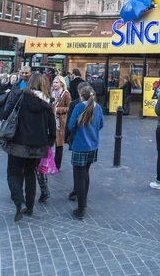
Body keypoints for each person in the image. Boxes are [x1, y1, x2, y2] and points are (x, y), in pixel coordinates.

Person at [1, 73, 56, 221]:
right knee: (30, 173)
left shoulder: (21, 96)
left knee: (13, 173)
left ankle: (20, 203)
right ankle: (30, 207)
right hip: (38, 144)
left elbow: (6, 113)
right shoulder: (48, 101)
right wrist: (50, 141)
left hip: (18, 141)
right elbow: (52, 125)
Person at [68, 85, 104, 219]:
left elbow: (71, 125)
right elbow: (101, 124)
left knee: (80, 177)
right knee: (86, 173)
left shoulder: (78, 107)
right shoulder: (98, 107)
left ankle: (81, 208)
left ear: (81, 95)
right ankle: (84, 203)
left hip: (80, 145)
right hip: (93, 145)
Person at [65, 81, 88, 202]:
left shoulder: (75, 105)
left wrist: (67, 137)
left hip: (78, 141)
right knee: (86, 170)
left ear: (79, 92)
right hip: (91, 142)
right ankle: (83, 194)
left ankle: (77, 192)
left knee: (77, 169)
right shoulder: (95, 105)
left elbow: (70, 124)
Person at [51, 75, 71, 169]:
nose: (54, 84)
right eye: (54, 82)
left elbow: (69, 107)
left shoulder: (66, 94)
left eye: (56, 82)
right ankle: (48, 162)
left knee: (59, 144)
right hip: (51, 120)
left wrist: (58, 109)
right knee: (50, 142)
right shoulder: (51, 93)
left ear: (61, 83)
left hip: (60, 121)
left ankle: (57, 164)